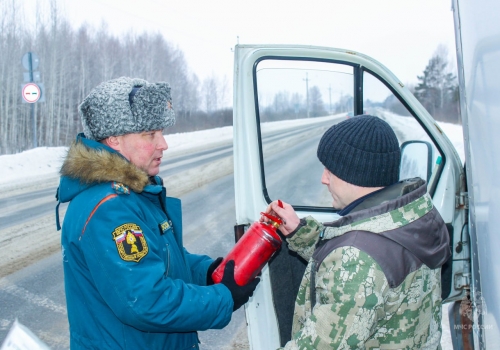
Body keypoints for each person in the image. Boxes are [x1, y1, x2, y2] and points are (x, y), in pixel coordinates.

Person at [55, 76, 259, 349]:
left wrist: (207, 272)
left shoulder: (133, 193)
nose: (163, 144)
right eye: (150, 134)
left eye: (161, 132)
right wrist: (223, 298)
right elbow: (147, 301)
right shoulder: (110, 208)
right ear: (114, 138)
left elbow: (160, 256)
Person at [263, 115, 451, 349]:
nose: (324, 179)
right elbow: (376, 253)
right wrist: (300, 232)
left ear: (355, 173)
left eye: (330, 171)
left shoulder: (358, 261)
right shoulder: (413, 215)